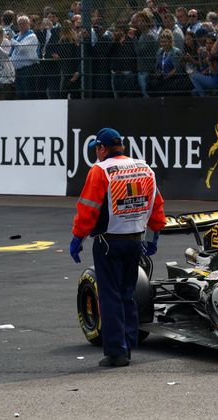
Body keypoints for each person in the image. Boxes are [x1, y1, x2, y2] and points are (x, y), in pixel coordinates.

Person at [70, 128, 166, 367]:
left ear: (102, 148)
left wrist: (77, 238)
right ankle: (128, 345)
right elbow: (157, 207)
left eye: (97, 149)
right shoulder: (145, 168)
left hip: (108, 243)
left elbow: (88, 209)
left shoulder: (100, 171)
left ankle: (116, 352)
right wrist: (153, 238)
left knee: (110, 296)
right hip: (135, 242)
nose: (96, 153)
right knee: (127, 294)